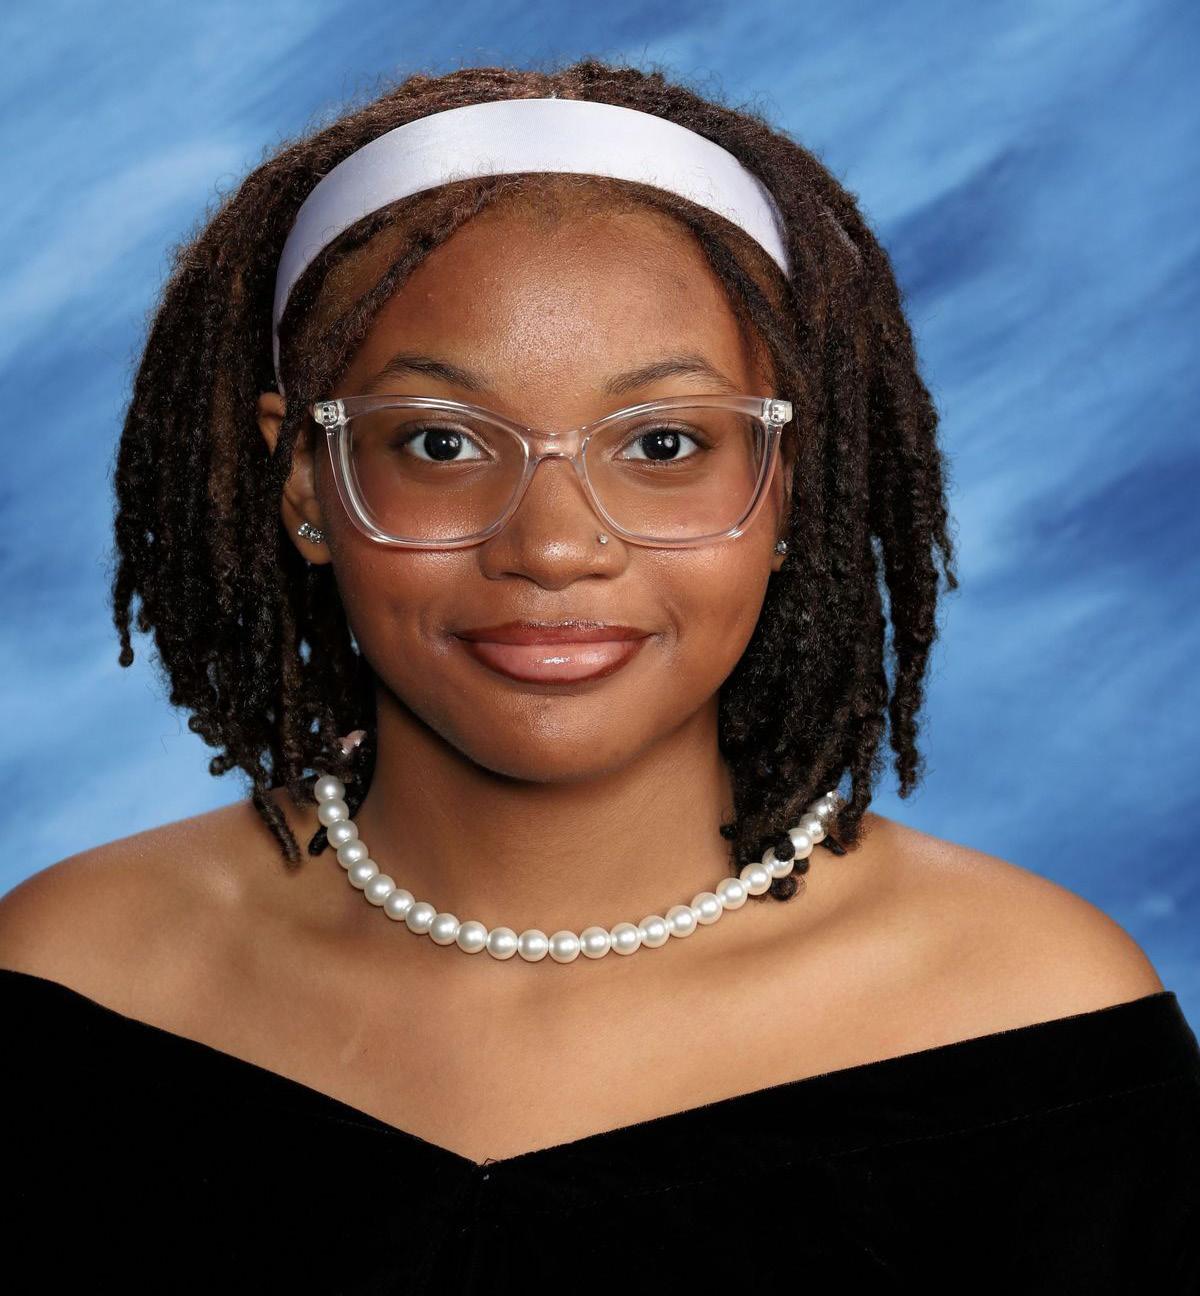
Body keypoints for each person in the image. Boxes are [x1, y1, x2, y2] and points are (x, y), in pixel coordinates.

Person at [2, 59, 1197, 1292]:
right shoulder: (78, 985)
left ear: (787, 487)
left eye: (665, 443)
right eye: (440, 443)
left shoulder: (1035, 1026)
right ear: (306, 480)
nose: (556, 546)